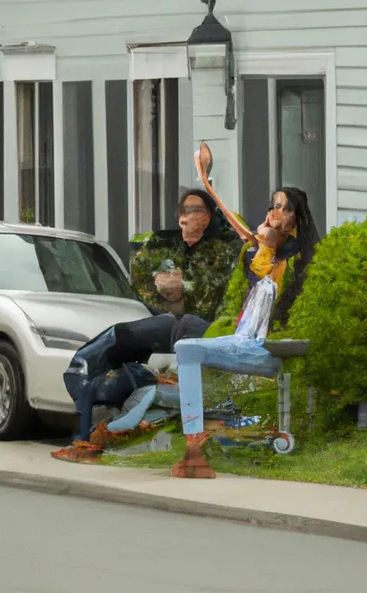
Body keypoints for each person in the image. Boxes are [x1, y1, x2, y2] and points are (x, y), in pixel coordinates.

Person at [52, 188, 240, 462]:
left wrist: (182, 287)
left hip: (204, 328)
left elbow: (213, 291)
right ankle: (88, 432)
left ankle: (93, 434)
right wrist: (164, 289)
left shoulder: (224, 248)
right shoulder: (166, 247)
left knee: (145, 333)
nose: (190, 217)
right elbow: (145, 287)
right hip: (173, 324)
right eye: (185, 211)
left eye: (197, 211)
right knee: (114, 344)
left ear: (210, 217)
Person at [171, 165, 320, 478]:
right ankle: (194, 448)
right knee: (186, 347)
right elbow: (250, 258)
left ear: (296, 216)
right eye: (271, 206)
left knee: (187, 347)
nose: (272, 212)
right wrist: (264, 243)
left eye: (280, 206)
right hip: (244, 340)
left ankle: (197, 450)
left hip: (272, 348)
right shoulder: (261, 255)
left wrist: (266, 243)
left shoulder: (302, 261)